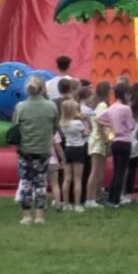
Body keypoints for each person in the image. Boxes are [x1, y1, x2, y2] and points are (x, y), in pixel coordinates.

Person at [12, 76, 60, 224]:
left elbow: (15, 127)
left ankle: (26, 216)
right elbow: (55, 127)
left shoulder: (21, 107)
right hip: (43, 149)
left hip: (25, 149)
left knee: (26, 181)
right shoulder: (51, 106)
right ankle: (40, 216)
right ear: (42, 89)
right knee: (40, 182)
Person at [95, 82, 135, 208]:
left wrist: (110, 124)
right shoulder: (126, 108)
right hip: (125, 141)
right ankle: (116, 199)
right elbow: (131, 126)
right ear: (124, 94)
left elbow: (97, 119)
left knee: (116, 171)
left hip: (115, 141)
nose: (129, 97)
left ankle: (111, 197)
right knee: (121, 172)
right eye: (128, 94)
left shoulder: (111, 107)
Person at [58, 99, 88, 212]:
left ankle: (66, 203)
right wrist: (85, 121)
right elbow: (85, 133)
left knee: (67, 178)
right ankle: (77, 204)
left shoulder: (63, 123)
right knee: (77, 179)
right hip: (78, 149)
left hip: (68, 149)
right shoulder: (77, 123)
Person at [84, 81, 111, 209]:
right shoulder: (103, 105)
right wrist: (106, 139)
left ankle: (97, 195)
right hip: (98, 140)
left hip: (95, 139)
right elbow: (100, 124)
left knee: (98, 170)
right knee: (95, 171)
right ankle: (90, 198)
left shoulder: (95, 105)